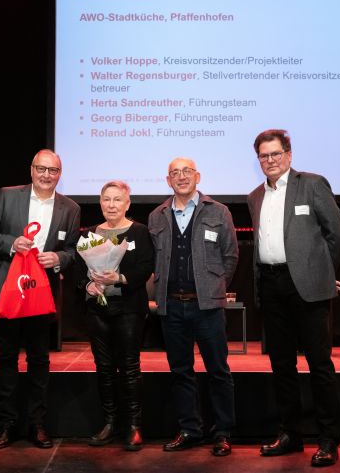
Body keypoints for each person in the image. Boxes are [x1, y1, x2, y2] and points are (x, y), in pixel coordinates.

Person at [247, 129, 340, 467]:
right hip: (272, 286)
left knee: (319, 366)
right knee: (282, 366)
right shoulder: (254, 196)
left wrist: (322, 273)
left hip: (308, 288)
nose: (270, 161)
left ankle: (328, 440)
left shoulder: (313, 184)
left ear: (289, 155)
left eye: (275, 154)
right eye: (264, 156)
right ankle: (290, 434)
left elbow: (338, 235)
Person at [0, 149, 80, 449]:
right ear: (31, 170)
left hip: (41, 293)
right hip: (8, 292)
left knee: (39, 360)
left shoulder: (70, 207)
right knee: (6, 359)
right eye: (41, 169)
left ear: (60, 174)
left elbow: (74, 250)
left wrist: (59, 257)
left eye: (53, 170)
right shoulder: (8, 196)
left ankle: (37, 424)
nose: (47, 175)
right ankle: (7, 424)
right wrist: (12, 244)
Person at [148, 158, 238, 457]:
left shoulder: (219, 211)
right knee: (181, 371)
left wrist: (214, 286)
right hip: (172, 306)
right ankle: (190, 429)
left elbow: (230, 256)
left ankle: (223, 432)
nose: (181, 176)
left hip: (207, 307)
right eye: (175, 173)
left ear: (198, 176)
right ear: (167, 180)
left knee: (218, 370)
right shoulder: (157, 216)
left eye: (187, 171)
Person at [75, 181, 154, 451]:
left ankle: (134, 425)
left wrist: (119, 277)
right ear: (100, 202)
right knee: (104, 368)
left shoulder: (140, 232)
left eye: (117, 200)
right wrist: (89, 284)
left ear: (127, 204)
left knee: (129, 368)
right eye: (107, 199)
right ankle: (109, 422)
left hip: (129, 309)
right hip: (97, 309)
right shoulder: (90, 233)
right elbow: (77, 270)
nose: (111, 205)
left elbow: (146, 267)